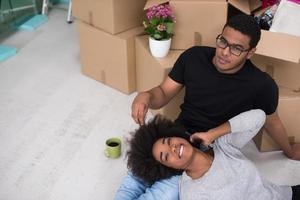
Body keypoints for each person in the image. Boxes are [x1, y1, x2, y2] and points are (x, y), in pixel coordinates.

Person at [115, 14, 300, 199]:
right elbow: (163, 92)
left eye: (236, 48)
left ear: (250, 52)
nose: (225, 52)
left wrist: (289, 151)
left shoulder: (262, 85)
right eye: (223, 42)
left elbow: (271, 121)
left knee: (164, 194)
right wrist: (146, 95)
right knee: (133, 181)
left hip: (213, 148)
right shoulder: (194, 57)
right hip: (175, 135)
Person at [127, 110, 300, 200]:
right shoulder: (192, 194)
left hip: (286, 194)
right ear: (167, 167)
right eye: (165, 157)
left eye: (168, 141)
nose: (172, 149)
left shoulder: (222, 146)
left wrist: (213, 134)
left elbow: (259, 116)